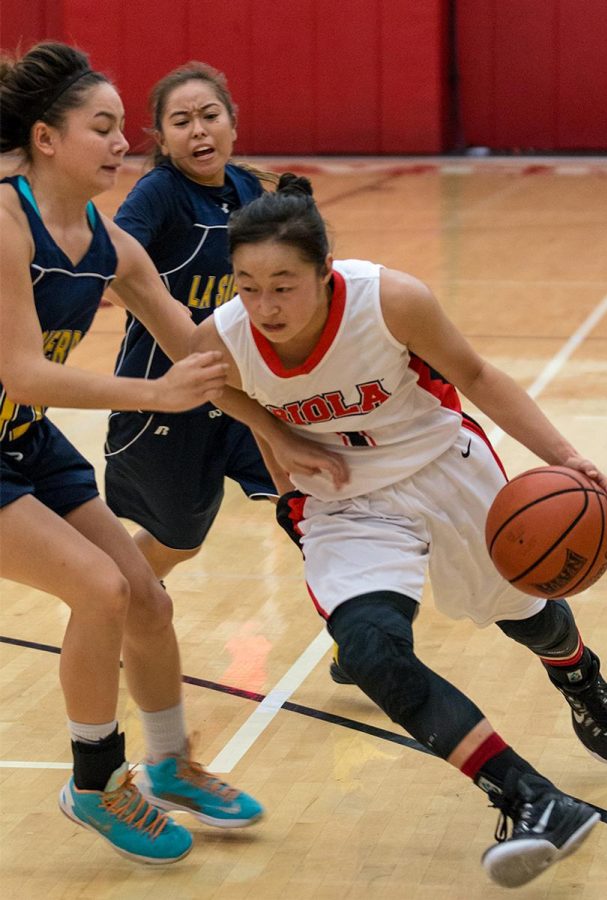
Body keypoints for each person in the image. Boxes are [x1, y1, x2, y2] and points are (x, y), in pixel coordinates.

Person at [190, 173, 607, 888]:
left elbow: (479, 376)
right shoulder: (225, 334)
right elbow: (214, 383)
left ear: (325, 275)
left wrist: (565, 459)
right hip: (341, 498)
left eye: (283, 284)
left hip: (439, 465)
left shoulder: (388, 300)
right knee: (368, 651)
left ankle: (575, 670)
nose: (264, 305)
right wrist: (275, 437)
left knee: (523, 615)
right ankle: (530, 797)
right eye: (246, 285)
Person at [0, 42, 263, 865]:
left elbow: (194, 352)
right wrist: (155, 395)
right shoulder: (5, 223)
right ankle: (93, 783)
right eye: (103, 128)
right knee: (101, 589)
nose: (124, 144)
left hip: (20, 442)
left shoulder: (108, 241)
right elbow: (21, 370)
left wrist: (285, 434)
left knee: (146, 599)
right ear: (47, 139)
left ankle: (168, 762)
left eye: (121, 130)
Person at [104, 62, 288, 580]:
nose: (199, 129)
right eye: (181, 121)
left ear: (232, 121)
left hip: (243, 386)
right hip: (168, 394)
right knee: (180, 542)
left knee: (311, 502)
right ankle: (115, 604)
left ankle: (354, 622)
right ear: (161, 138)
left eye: (210, 115)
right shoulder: (158, 193)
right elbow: (111, 266)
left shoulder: (250, 190)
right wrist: (169, 316)